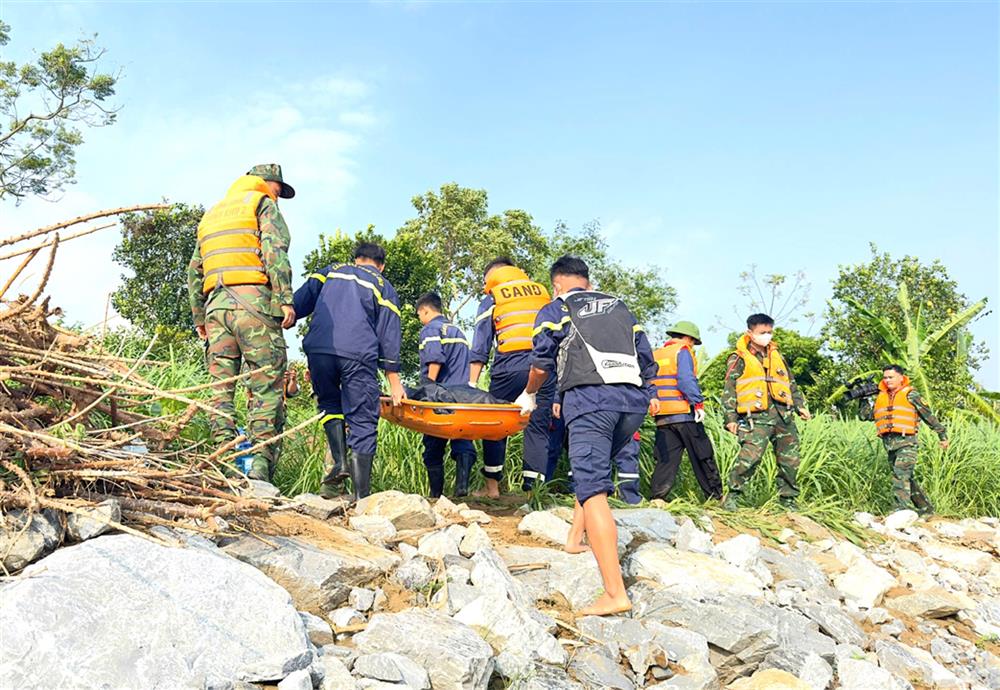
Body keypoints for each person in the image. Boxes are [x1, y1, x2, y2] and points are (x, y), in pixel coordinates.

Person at [525, 255, 659, 616]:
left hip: (590, 400)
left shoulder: (556, 308)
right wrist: (648, 396)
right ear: (587, 280)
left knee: (593, 488)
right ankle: (574, 539)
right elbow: (648, 358)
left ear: (557, 284)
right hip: (631, 403)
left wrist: (531, 392)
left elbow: (541, 360)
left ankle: (614, 593)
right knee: (592, 474)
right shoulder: (619, 308)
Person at [187, 163, 297, 481]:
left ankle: (226, 464)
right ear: (265, 183)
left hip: (216, 309)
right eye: (278, 189)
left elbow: (194, 270)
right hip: (254, 306)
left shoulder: (213, 214)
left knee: (220, 390)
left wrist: (200, 318)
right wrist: (285, 298)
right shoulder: (261, 204)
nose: (278, 197)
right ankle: (260, 469)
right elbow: (274, 251)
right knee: (267, 386)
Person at [292, 241, 405, 500]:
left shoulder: (330, 271)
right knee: (363, 420)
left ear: (356, 260)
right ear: (381, 266)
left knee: (329, 405)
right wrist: (394, 380)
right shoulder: (382, 286)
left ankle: (339, 463)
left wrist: (286, 316)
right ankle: (360, 497)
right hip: (357, 354)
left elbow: (297, 303)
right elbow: (389, 334)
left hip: (319, 351)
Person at [469, 257, 556, 497]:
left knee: (495, 426)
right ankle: (533, 494)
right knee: (537, 428)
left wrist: (471, 384)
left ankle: (492, 488)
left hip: (508, 368)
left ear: (492, 277)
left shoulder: (493, 296)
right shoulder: (542, 293)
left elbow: (481, 344)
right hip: (543, 368)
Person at [722, 313, 811, 508]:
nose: (767, 336)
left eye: (770, 332)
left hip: (783, 415)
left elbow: (791, 384)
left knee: (790, 460)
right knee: (749, 458)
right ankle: (732, 498)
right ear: (750, 332)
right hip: (756, 417)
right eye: (762, 332)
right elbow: (729, 389)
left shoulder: (777, 356)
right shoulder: (738, 358)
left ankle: (788, 501)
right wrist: (730, 418)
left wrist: (800, 406)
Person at [649, 321, 723, 501]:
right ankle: (715, 496)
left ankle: (658, 498)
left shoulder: (655, 354)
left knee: (666, 460)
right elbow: (685, 380)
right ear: (688, 338)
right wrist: (698, 403)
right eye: (693, 342)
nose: (692, 346)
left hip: (662, 417)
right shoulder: (682, 351)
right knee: (702, 454)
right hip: (683, 414)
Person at [860, 365, 948, 513]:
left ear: (901, 378)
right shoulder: (882, 397)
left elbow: (928, 416)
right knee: (907, 478)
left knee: (900, 475)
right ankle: (926, 509)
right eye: (885, 377)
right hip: (889, 444)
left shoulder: (911, 394)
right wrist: (863, 399)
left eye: (891, 377)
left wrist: (942, 436)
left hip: (907, 442)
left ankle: (901, 510)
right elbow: (866, 416)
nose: (887, 380)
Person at [415, 292, 477, 498]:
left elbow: (434, 358)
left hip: (441, 394)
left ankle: (436, 495)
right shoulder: (457, 330)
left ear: (425, 310)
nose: (420, 319)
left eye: (419, 315)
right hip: (463, 395)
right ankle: (462, 488)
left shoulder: (430, 329)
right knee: (462, 438)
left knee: (433, 444)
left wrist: (429, 387)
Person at [553, 403, 643, 504]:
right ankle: (629, 499)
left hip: (594, 413)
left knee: (584, 457)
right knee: (585, 459)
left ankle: (579, 496)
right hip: (609, 412)